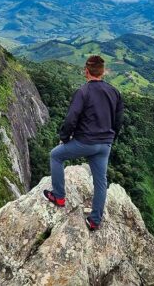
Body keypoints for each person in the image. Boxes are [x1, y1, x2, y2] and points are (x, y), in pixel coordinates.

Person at [43, 55, 124, 231]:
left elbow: (71, 118)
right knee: (100, 181)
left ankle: (59, 196)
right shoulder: (114, 92)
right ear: (103, 72)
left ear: (86, 71)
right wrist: (110, 139)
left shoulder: (83, 92)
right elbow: (118, 122)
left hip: (85, 141)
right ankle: (95, 220)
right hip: (105, 145)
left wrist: (64, 138)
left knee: (55, 156)